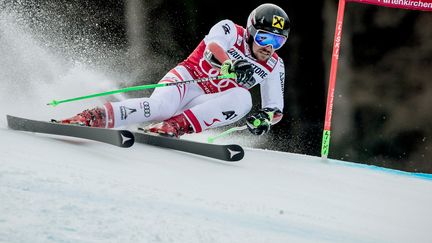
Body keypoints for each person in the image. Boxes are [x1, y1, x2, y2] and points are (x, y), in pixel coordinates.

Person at [60, 3, 291, 138]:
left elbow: (275, 109)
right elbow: (213, 48)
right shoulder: (231, 29)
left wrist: (265, 119)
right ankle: (93, 117)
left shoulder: (274, 66)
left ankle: (174, 126)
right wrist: (231, 64)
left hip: (205, 101)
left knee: (243, 98)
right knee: (160, 108)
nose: (269, 47)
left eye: (277, 41)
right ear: (251, 32)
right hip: (185, 81)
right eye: (263, 37)